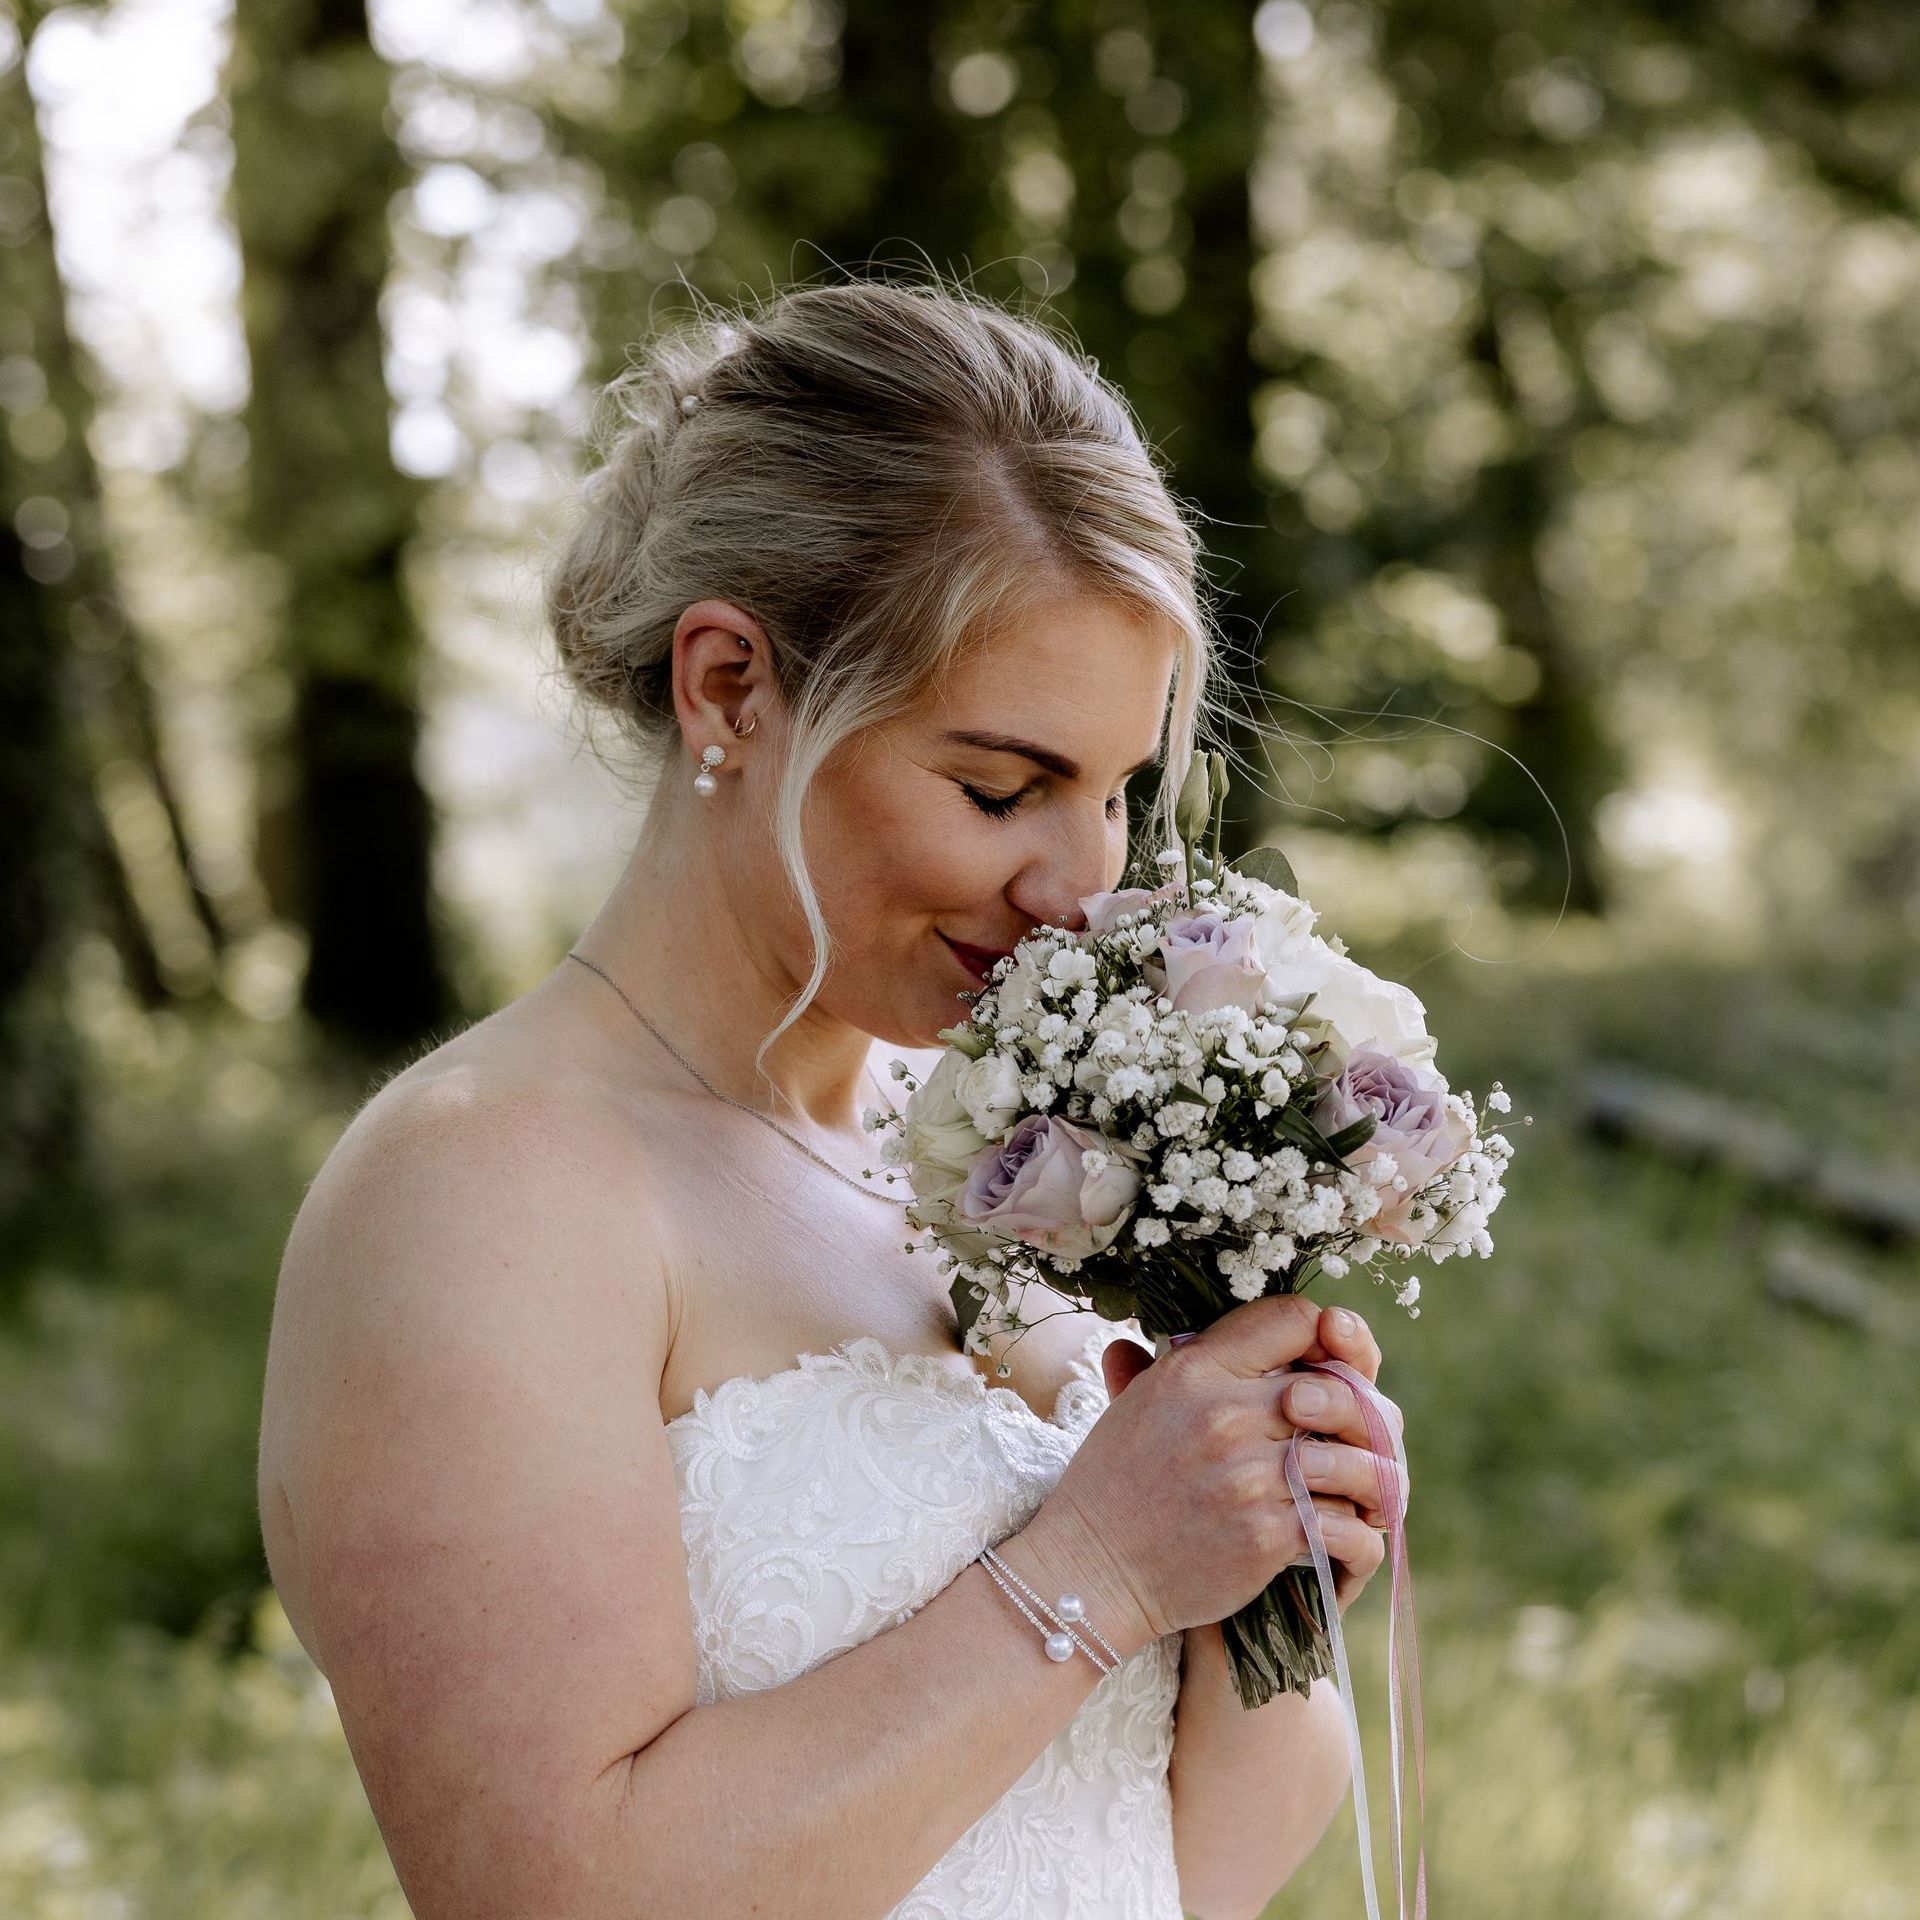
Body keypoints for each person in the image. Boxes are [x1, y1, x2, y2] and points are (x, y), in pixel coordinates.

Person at [255, 275, 1401, 1920]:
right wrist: (1097, 1563)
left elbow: (1173, 1865)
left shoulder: (1023, 1156)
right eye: (1000, 785)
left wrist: (1263, 1563)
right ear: (728, 686)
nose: (1084, 885)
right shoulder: (482, 1190)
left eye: (1118, 792)